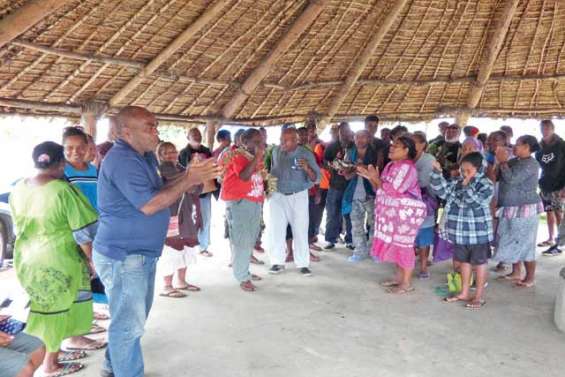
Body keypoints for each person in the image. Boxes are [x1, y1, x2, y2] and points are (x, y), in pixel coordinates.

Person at [93, 106, 219, 377]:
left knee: (129, 319)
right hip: (125, 255)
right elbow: (150, 204)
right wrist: (190, 180)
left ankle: (112, 366)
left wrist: (189, 175)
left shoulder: (145, 156)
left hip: (139, 254)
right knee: (130, 325)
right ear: (126, 132)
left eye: (156, 125)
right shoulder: (122, 160)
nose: (156, 131)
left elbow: (157, 189)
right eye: (149, 127)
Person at [10, 142, 98, 376]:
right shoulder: (62, 190)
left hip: (27, 258)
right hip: (57, 258)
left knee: (47, 308)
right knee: (56, 312)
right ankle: (50, 364)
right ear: (61, 164)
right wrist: (91, 260)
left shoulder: (19, 187)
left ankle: (54, 353)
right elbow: (82, 232)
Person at [358, 136, 426, 294]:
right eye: (392, 145)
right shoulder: (390, 165)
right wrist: (369, 176)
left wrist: (374, 177)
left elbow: (395, 190)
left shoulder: (407, 167)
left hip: (404, 215)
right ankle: (398, 278)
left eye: (396, 146)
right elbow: (380, 188)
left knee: (404, 246)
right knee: (397, 245)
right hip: (392, 214)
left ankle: (406, 283)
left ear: (406, 151)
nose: (391, 147)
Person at [431, 152, 494, 309]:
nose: (464, 173)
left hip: (478, 234)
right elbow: (443, 192)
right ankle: (464, 292)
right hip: (460, 233)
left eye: (468, 171)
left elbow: (476, 202)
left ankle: (478, 297)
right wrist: (437, 174)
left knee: (479, 264)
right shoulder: (457, 182)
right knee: (464, 263)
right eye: (462, 170)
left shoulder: (486, 184)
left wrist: (467, 186)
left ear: (478, 170)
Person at [267, 127, 320, 276]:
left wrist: (307, 168)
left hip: (298, 196)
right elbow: (273, 171)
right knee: (276, 230)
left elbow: (317, 178)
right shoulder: (276, 151)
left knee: (300, 230)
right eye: (281, 139)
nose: (282, 143)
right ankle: (277, 262)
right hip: (277, 195)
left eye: (286, 140)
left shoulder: (306, 153)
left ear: (296, 140)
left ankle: (303, 264)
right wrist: (269, 191)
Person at [493, 136, 543, 287]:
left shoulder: (532, 164)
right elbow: (498, 177)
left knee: (526, 243)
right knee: (514, 240)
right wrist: (500, 162)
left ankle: (530, 277)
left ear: (527, 147)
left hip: (525, 209)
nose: (514, 146)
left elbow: (512, 179)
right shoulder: (515, 161)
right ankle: (516, 271)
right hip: (511, 208)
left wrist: (503, 162)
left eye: (518, 144)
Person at [221, 129, 266, 292]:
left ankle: (243, 270)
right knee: (242, 239)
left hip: (254, 201)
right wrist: (258, 157)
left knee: (249, 238)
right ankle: (242, 276)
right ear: (244, 142)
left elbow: (259, 176)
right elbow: (244, 176)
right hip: (240, 202)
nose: (260, 145)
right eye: (255, 142)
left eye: (261, 141)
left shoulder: (251, 156)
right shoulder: (237, 155)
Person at [157, 142, 202, 298]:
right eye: (167, 152)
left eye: (173, 151)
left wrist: (192, 175)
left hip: (186, 214)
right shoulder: (163, 169)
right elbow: (187, 182)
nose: (171, 155)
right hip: (170, 213)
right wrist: (192, 174)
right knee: (171, 249)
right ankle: (167, 285)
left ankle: (181, 281)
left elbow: (197, 187)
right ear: (160, 155)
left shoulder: (182, 169)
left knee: (186, 247)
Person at [179, 127, 216, 257]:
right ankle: (189, 245)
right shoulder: (184, 153)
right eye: (193, 134)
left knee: (205, 219)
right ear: (188, 137)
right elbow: (182, 171)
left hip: (205, 192)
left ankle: (203, 247)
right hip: (190, 193)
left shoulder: (206, 151)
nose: (197, 136)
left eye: (199, 134)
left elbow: (213, 166)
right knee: (189, 219)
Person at [341, 130, 378, 262]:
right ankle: (359, 251)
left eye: (363, 137)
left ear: (369, 138)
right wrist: (347, 170)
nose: (359, 140)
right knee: (356, 224)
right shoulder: (350, 153)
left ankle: (375, 251)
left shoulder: (375, 153)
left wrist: (363, 168)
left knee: (375, 225)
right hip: (354, 193)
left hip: (372, 193)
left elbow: (379, 173)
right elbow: (347, 176)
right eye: (357, 138)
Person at [536, 120, 565, 254]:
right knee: (549, 211)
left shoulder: (561, 145)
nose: (545, 130)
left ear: (553, 129)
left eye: (547, 128)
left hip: (559, 184)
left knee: (558, 212)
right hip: (545, 184)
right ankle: (550, 238)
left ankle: (560, 242)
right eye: (543, 128)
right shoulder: (539, 146)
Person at [323, 122, 354, 249]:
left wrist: (349, 168)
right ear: (339, 132)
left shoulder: (354, 145)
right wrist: (332, 167)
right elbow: (325, 162)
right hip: (334, 185)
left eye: (347, 132)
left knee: (350, 214)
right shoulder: (332, 146)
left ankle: (350, 240)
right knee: (332, 213)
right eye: (343, 132)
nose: (345, 134)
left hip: (350, 185)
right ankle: (331, 239)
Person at [411, 132, 437, 279]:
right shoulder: (406, 159)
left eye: (414, 142)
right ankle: (410, 263)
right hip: (409, 201)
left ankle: (423, 267)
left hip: (425, 201)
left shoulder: (428, 160)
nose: (411, 145)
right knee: (410, 233)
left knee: (424, 235)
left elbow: (423, 182)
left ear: (423, 145)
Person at [63, 127, 98, 209]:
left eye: (80, 147)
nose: (75, 151)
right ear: (63, 148)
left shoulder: (94, 170)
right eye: (70, 148)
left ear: (86, 147)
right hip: (74, 220)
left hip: (96, 219)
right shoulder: (61, 172)